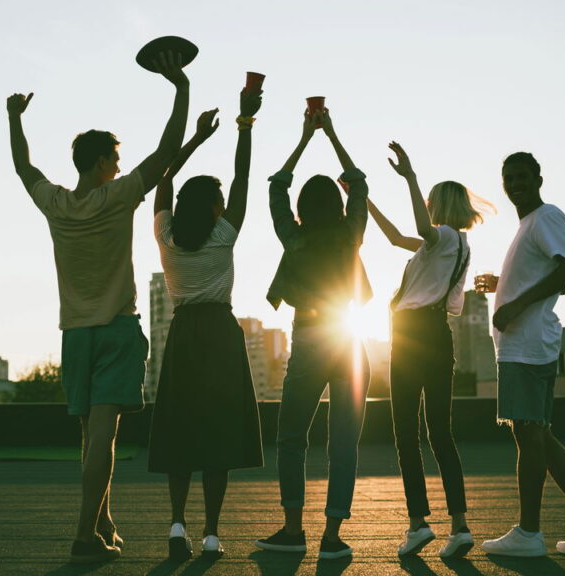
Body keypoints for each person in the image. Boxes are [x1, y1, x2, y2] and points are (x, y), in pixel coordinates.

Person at [6, 52, 190, 564]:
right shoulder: (120, 196)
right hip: (114, 330)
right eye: (114, 158)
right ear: (101, 162)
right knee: (103, 440)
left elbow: (24, 166)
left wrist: (15, 121)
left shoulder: (56, 203)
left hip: (75, 335)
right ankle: (85, 537)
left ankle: (104, 522)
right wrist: (180, 88)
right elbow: (168, 150)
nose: (120, 165)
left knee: (92, 440)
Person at [147, 87, 264, 561]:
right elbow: (243, 176)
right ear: (216, 207)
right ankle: (212, 533)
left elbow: (165, 179)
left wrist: (194, 139)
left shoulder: (167, 236)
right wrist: (244, 122)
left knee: (180, 431)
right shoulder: (224, 234)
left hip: (183, 335)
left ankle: (178, 525)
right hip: (220, 333)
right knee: (217, 432)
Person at [479, 152, 565, 557]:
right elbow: (551, 275)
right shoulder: (530, 225)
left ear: (539, 178)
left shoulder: (546, 216)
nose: (515, 182)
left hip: (527, 345)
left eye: (522, 176)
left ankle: (528, 533)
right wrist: (502, 283)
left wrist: (515, 305)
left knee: (528, 434)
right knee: (539, 434)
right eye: (509, 177)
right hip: (529, 344)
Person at [254, 107, 371, 560]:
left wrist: (304, 138)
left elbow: (276, 186)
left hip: (309, 339)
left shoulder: (294, 237)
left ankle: (292, 529)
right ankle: (332, 537)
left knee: (290, 438)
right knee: (343, 442)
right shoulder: (350, 235)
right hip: (347, 340)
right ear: (339, 206)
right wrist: (331, 132)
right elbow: (359, 182)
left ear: (303, 209)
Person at [367, 142, 494, 558]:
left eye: (429, 199)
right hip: (438, 335)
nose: (425, 202)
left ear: (440, 205)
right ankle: (459, 526)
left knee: (406, 433)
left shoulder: (439, 237)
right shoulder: (452, 245)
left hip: (411, 336)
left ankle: (419, 523)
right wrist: (363, 199)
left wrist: (409, 175)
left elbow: (420, 229)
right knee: (441, 434)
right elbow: (394, 237)